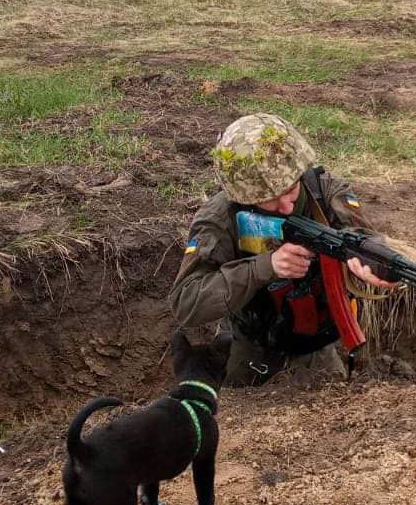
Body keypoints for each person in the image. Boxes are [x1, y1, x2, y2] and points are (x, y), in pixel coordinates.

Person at [169, 113, 397, 386]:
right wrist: (266, 267)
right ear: (244, 196)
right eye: (269, 200)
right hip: (254, 347)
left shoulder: (324, 191)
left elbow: (363, 235)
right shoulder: (220, 219)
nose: (287, 207)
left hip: (317, 347)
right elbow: (186, 301)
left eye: (290, 190)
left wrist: (368, 261)